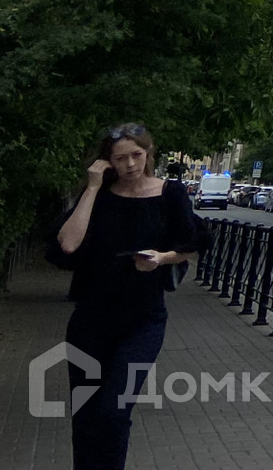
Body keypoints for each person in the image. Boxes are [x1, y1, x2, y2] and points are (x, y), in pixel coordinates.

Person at [44, 124, 210, 470]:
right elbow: (68, 245)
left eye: (137, 155)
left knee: (113, 411)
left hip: (142, 322)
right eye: (120, 158)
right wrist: (92, 187)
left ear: (149, 154)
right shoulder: (99, 197)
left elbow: (192, 243)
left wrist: (161, 258)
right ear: (107, 161)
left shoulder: (170, 194)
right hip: (90, 322)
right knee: (86, 415)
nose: (131, 164)